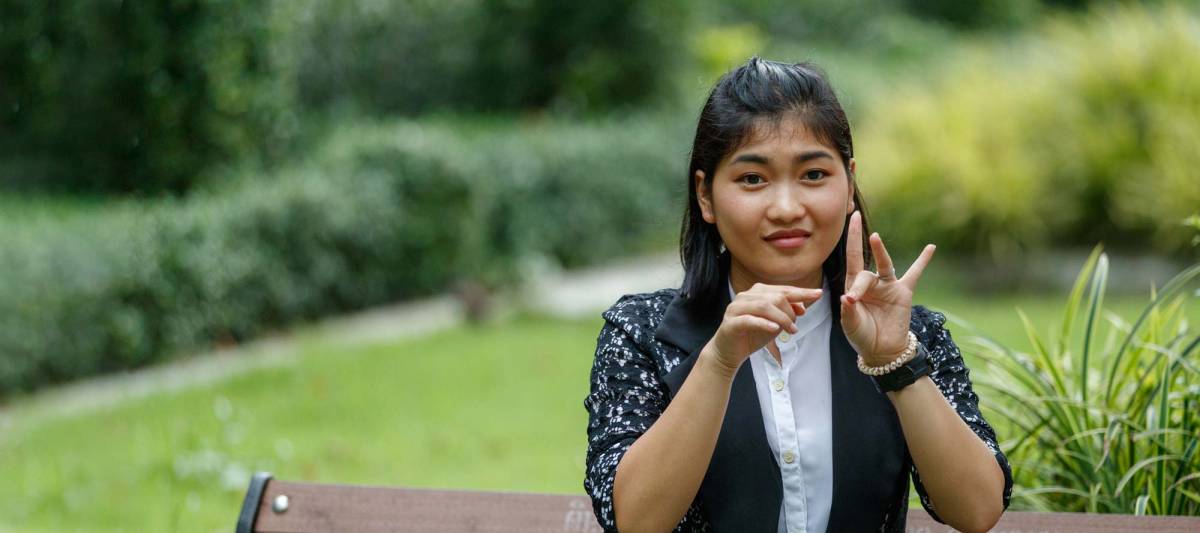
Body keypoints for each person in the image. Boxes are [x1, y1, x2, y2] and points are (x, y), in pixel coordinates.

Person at [582, 58, 1012, 533]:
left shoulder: (907, 332)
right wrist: (719, 361)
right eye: (753, 179)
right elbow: (635, 522)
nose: (787, 208)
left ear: (849, 183)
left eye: (813, 175)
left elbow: (977, 510)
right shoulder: (641, 333)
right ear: (705, 196)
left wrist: (896, 362)